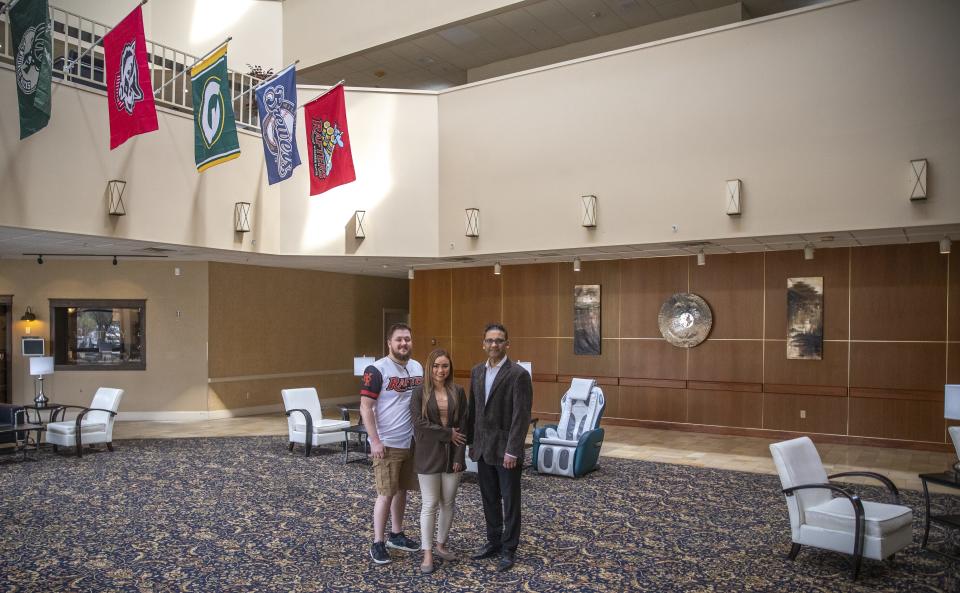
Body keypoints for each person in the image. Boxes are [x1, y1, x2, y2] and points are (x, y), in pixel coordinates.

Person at [467, 323, 533, 573]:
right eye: (490, 340)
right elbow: (473, 411)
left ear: (507, 344)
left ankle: (509, 549)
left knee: (510, 501)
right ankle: (493, 542)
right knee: (489, 499)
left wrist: (513, 450)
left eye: (499, 340)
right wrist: (472, 443)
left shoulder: (518, 374)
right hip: (484, 448)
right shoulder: (476, 372)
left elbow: (521, 416)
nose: (494, 344)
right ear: (483, 344)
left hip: (506, 451)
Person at [360, 323, 424, 565]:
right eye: (399, 340)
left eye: (407, 339)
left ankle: (396, 535)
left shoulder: (417, 367)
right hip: (387, 443)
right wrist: (374, 440)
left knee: (402, 490)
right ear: (389, 342)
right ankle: (377, 542)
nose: (404, 344)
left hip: (411, 441)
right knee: (385, 493)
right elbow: (366, 408)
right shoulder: (376, 369)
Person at [410, 348, 469, 574]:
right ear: (429, 368)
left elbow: (463, 425)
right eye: (436, 366)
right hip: (428, 454)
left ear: (449, 368)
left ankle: (441, 544)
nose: (440, 370)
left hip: (452, 456)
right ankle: (427, 553)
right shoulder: (419, 393)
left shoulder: (458, 391)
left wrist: (458, 456)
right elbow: (418, 423)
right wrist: (447, 434)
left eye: (444, 366)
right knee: (429, 504)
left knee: (448, 502)